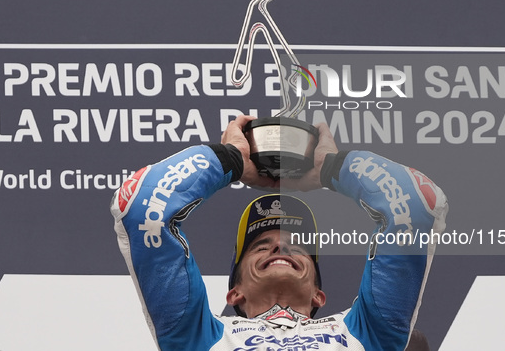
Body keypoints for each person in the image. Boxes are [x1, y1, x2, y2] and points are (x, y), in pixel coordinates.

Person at [111, 115, 448, 350]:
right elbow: (143, 212)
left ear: (319, 294)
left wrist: (330, 167)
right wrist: (231, 159)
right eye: (261, 246)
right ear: (234, 293)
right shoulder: (198, 337)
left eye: (298, 247)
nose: (281, 248)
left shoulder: (367, 332)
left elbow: (415, 210)